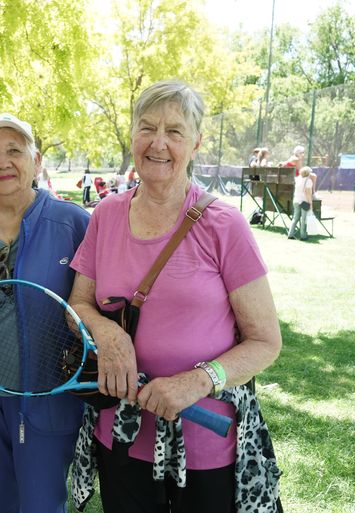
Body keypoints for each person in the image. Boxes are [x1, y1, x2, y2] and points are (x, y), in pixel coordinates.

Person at [68, 80, 283, 513]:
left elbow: (265, 342)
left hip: (206, 440)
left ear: (197, 142)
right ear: (132, 136)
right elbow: (79, 304)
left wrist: (196, 382)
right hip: (122, 432)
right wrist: (109, 336)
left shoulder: (224, 225)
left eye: (175, 131)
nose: (158, 143)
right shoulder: (106, 215)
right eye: (147, 128)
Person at [0, 113, 90, 513]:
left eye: (15, 150)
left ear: (36, 160)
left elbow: (100, 303)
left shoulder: (74, 223)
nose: (3, 162)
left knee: (41, 505)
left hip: (45, 400)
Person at [288, 166, 314, 241]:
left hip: (296, 200)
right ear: (308, 173)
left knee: (295, 218)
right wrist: (310, 203)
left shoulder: (298, 179)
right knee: (304, 219)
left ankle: (290, 234)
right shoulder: (308, 181)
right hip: (304, 201)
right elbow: (308, 193)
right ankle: (303, 236)